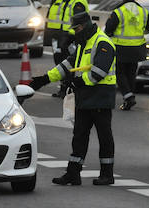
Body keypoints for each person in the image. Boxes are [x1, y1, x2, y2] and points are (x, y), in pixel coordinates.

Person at [30, 10, 116, 185]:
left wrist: (78, 82)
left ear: (83, 27)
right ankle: (73, 173)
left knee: (104, 137)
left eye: (76, 29)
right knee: (79, 136)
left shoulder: (103, 43)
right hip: (84, 97)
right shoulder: (84, 43)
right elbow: (67, 66)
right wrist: (44, 79)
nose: (74, 33)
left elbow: (98, 73)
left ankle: (107, 174)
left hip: (100, 97)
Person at [105, 0, 149, 111]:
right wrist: (142, 32)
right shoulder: (142, 10)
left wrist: (111, 35)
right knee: (131, 73)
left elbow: (108, 29)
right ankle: (129, 97)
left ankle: (128, 97)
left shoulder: (118, 11)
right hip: (137, 48)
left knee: (120, 73)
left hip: (121, 47)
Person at [50, 0, 87, 97]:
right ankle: (64, 88)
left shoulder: (78, 0)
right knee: (62, 62)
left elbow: (78, 21)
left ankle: (67, 89)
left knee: (68, 64)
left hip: (72, 38)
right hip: (64, 36)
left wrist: (70, 36)